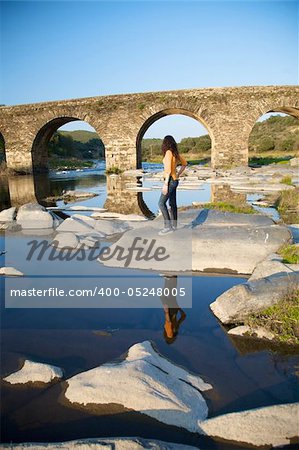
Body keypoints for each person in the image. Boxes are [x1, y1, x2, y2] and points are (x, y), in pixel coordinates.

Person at [158, 135, 187, 235]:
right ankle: (174, 226)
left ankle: (167, 227)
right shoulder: (175, 153)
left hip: (170, 181)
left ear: (165, 143)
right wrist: (178, 174)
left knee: (161, 203)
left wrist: (165, 184)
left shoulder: (168, 153)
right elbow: (185, 163)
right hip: (175, 180)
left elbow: (168, 170)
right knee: (172, 204)